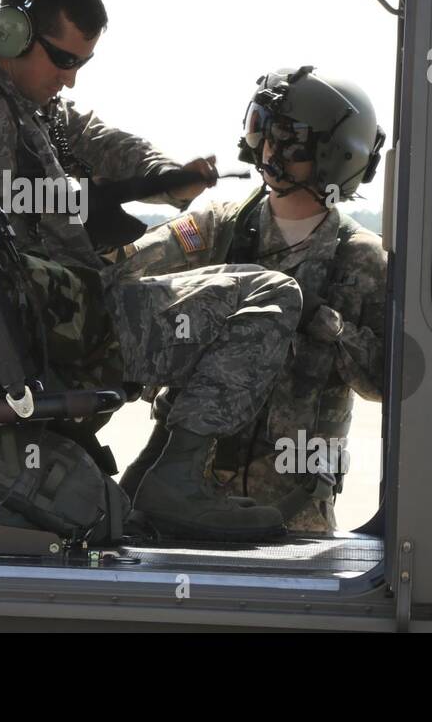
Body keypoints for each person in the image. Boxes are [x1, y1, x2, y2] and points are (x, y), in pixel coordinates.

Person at [0, 0, 303, 541]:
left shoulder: (22, 104)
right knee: (268, 293)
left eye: (81, 63)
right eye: (62, 60)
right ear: (11, 32)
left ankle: (155, 471)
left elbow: (96, 136)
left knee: (207, 246)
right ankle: (175, 479)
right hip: (58, 327)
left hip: (71, 303)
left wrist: (164, 173)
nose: (70, 77)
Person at [115, 66, 387, 532]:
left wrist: (327, 327)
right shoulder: (218, 228)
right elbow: (130, 266)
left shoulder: (360, 257)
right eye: (263, 130)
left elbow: (383, 380)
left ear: (334, 155)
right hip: (185, 504)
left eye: (289, 139)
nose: (268, 150)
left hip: (294, 517)